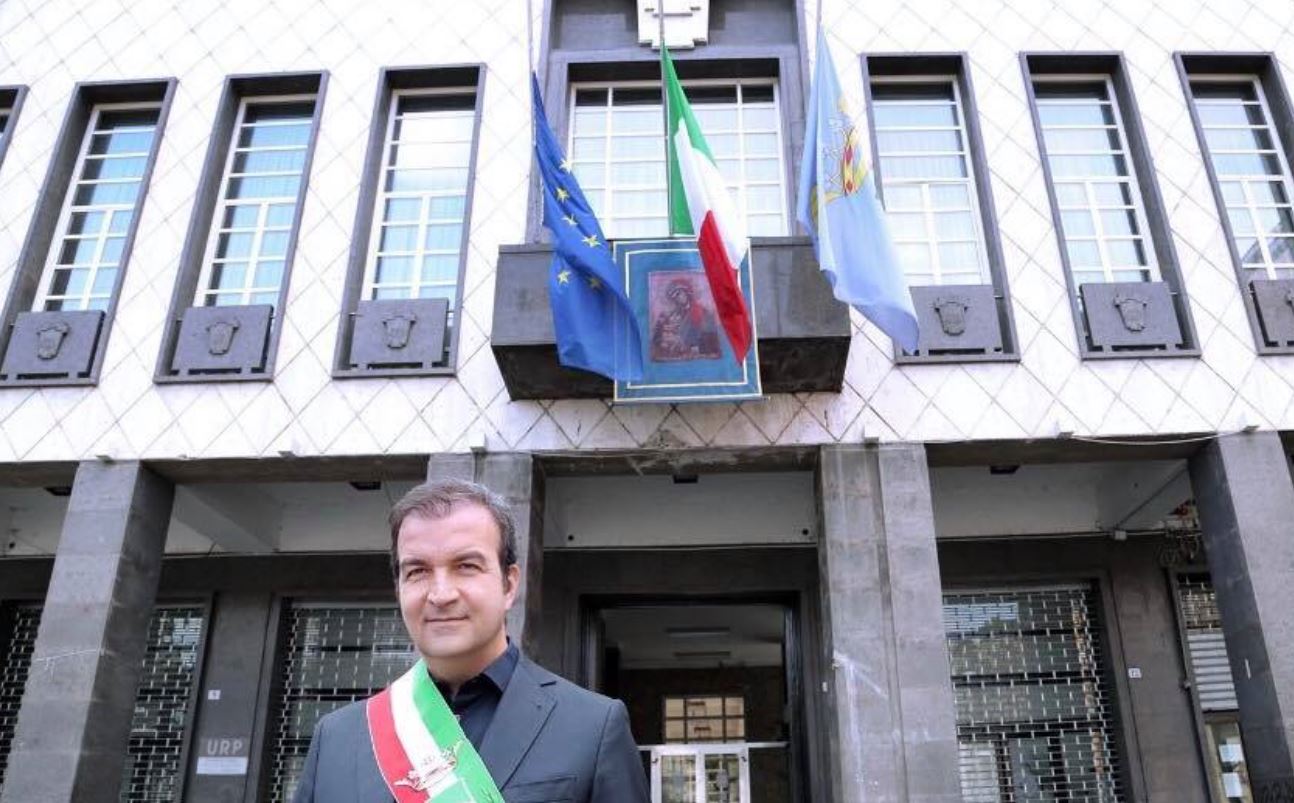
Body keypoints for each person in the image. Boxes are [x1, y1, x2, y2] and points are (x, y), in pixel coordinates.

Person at [293, 479, 649, 802]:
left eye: (466, 566)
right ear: (398, 588)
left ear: (509, 584)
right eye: (417, 571)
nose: (441, 594)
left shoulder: (593, 726)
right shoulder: (337, 739)